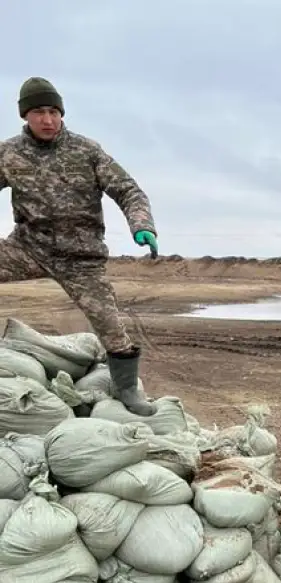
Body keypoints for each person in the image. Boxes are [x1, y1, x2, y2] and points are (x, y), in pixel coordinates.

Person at [0, 77, 159, 415]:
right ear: (25, 115)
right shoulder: (9, 153)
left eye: (54, 111)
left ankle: (128, 389)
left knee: (111, 326)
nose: (48, 119)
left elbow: (129, 190)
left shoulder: (86, 151)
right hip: (29, 247)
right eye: (39, 112)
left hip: (81, 258)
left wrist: (142, 226)